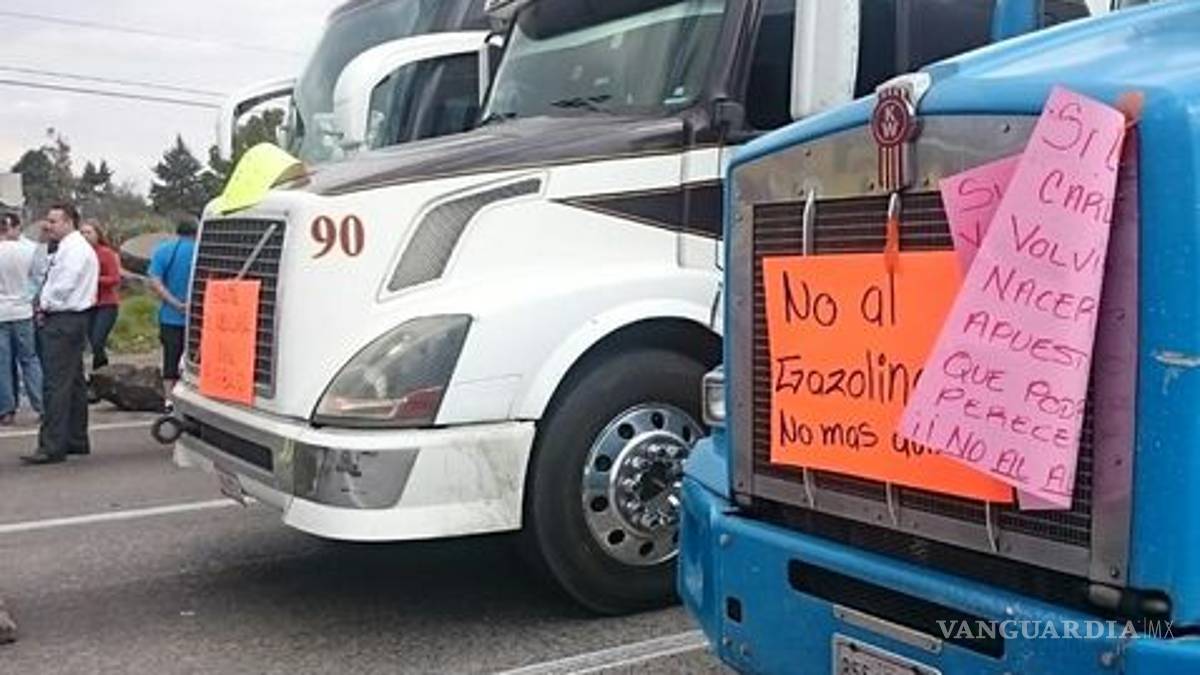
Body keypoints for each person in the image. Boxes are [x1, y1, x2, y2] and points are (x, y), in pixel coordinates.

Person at [20, 203, 98, 465]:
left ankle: (52, 445)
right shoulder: (68, 248)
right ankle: (76, 438)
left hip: (64, 318)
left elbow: (64, 284)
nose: (48, 226)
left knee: (55, 384)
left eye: (53, 222)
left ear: (68, 222)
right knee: (73, 382)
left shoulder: (74, 250)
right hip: (71, 319)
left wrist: (44, 304)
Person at [147, 215, 197, 406]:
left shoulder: (164, 250)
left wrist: (175, 303)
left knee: (171, 358)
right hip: (200, 318)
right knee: (196, 361)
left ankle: (169, 399)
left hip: (170, 316)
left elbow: (155, 280)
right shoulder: (201, 251)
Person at [0, 213, 43, 425]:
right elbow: (38, 278)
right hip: (23, 310)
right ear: (15, 228)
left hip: (1, 312)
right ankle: (42, 404)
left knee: (3, 363)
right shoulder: (30, 249)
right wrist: (29, 299)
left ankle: (6, 410)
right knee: (29, 359)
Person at [80, 219, 121, 371]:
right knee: (92, 343)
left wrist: (93, 278)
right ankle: (99, 374)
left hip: (106, 304)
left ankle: (102, 372)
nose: (85, 236)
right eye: (82, 232)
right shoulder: (79, 253)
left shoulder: (106, 253)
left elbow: (115, 278)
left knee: (98, 341)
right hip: (88, 304)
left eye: (89, 232)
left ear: (97, 234)